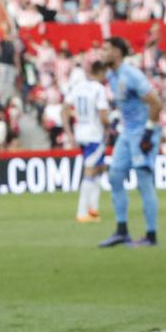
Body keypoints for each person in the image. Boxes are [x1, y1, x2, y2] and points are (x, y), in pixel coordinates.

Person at [99, 38, 162, 247]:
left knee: (143, 180)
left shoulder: (132, 74)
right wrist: (117, 117)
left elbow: (156, 102)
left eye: (106, 49)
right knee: (115, 176)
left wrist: (148, 132)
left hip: (142, 132)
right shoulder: (111, 75)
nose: (102, 52)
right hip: (127, 132)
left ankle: (151, 236)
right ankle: (121, 231)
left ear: (117, 52)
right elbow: (125, 103)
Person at [62, 61, 110, 224]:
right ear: (101, 72)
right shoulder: (99, 89)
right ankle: (82, 212)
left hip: (80, 134)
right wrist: (108, 128)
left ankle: (93, 210)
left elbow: (64, 109)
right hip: (95, 135)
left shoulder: (79, 87)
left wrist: (69, 132)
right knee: (90, 171)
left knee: (98, 169)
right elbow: (103, 116)